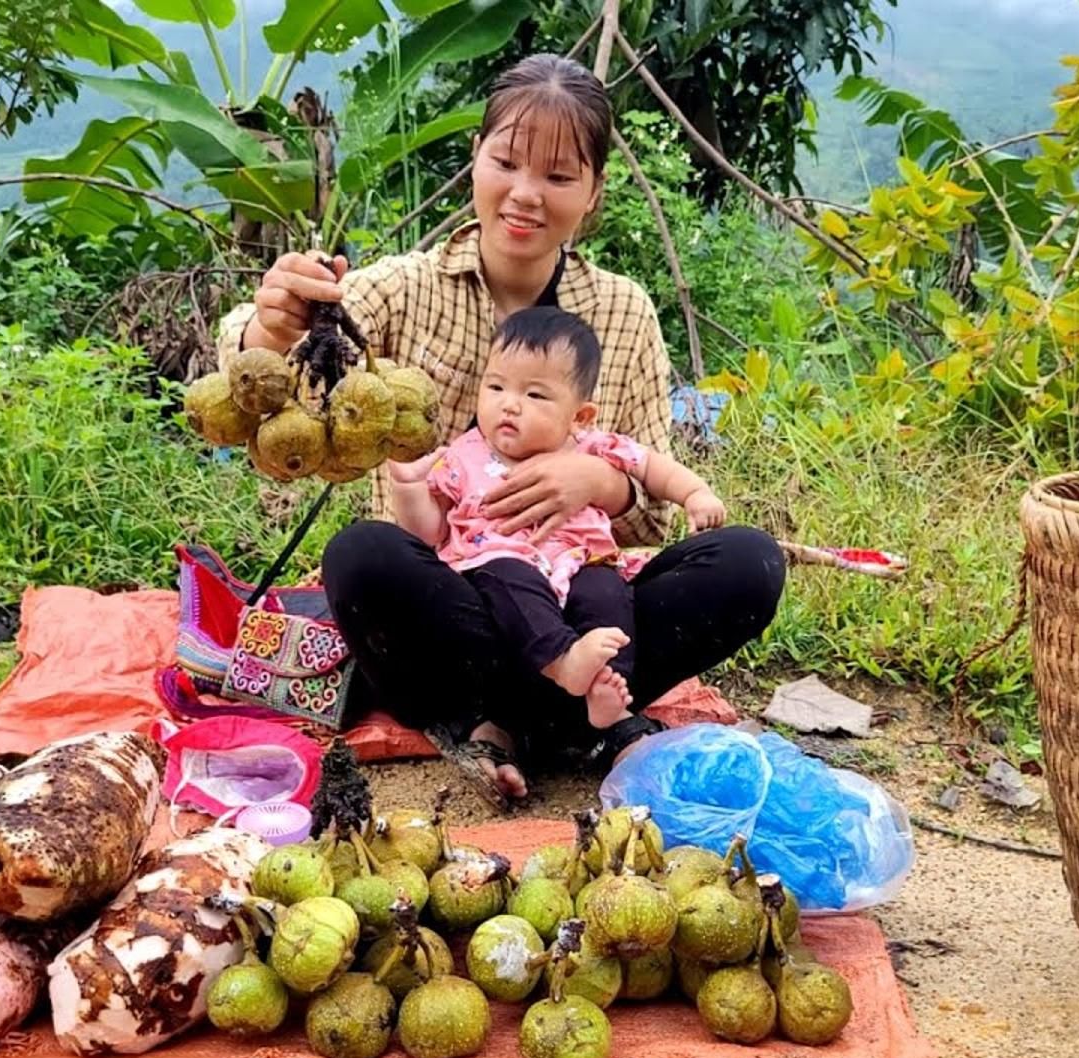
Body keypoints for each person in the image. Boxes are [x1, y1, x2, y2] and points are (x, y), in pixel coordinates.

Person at [216, 52, 785, 807]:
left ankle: (511, 718)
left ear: (593, 195)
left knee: (749, 562)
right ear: (476, 159)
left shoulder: (622, 312)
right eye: (506, 161)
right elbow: (256, 370)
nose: (525, 194)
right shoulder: (406, 286)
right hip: (454, 612)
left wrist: (600, 480)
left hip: (582, 603)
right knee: (362, 556)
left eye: (557, 176)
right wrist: (268, 322)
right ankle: (568, 719)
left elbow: (653, 505)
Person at [389, 305, 726, 735]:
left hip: (583, 560)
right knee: (510, 577)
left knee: (607, 595)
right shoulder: (465, 453)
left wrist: (694, 494)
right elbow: (429, 533)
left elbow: (651, 467)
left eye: (535, 395)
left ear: (580, 416)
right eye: (496, 387)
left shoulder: (590, 446)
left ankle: (606, 692)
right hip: (494, 571)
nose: (509, 405)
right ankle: (562, 660)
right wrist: (409, 487)